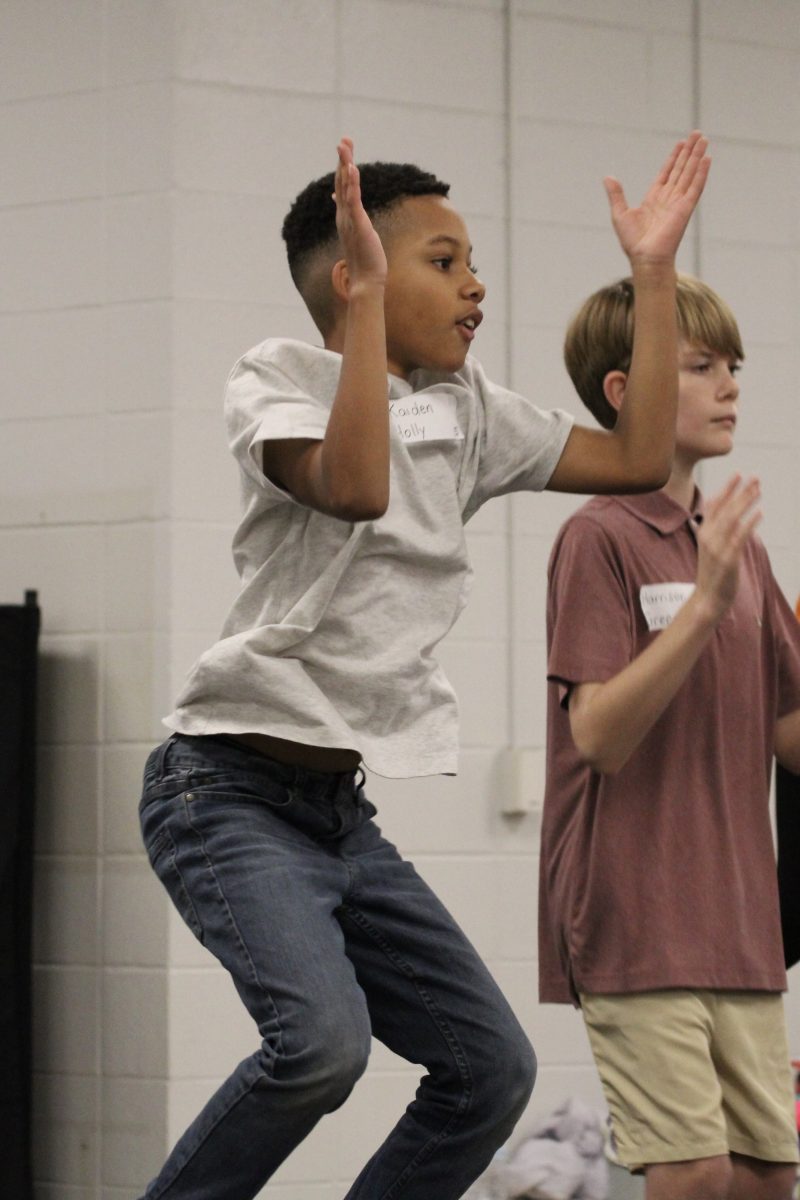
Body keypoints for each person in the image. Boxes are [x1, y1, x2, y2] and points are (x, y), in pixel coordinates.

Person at [138, 133, 710, 1200]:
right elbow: (354, 484)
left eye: (471, 261)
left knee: (488, 1070)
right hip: (221, 792)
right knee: (318, 1048)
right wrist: (360, 315)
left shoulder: (471, 410)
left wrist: (650, 272)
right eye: (442, 261)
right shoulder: (276, 377)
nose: (474, 284)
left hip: (334, 813)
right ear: (354, 276)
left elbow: (635, 458)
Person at [539, 273, 800, 1200]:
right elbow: (599, 734)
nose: (731, 383)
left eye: (734, 365)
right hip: (636, 915)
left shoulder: (736, 547)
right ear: (626, 389)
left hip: (741, 922)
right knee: (692, 1172)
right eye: (701, 365)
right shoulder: (598, 536)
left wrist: (729, 592)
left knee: (769, 1176)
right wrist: (703, 612)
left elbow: (789, 733)